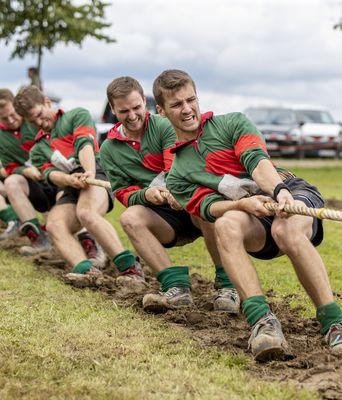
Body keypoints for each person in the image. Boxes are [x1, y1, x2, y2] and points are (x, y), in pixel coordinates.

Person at [152, 69, 342, 361]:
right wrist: (242, 205)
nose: (187, 109)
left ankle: (335, 324)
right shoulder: (177, 174)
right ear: (161, 111)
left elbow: (257, 162)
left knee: (285, 231)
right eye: (176, 104)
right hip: (251, 212)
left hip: (288, 190)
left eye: (191, 100)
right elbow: (208, 208)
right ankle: (263, 322)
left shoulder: (232, 123)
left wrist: (279, 191)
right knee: (224, 225)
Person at [99, 76, 240, 313]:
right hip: (164, 217)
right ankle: (176, 287)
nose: (132, 115)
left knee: (203, 201)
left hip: (192, 203)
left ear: (145, 102)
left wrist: (175, 192)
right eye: (124, 111)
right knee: (130, 218)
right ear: (113, 110)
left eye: (136, 107)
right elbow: (122, 192)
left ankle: (228, 285)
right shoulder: (108, 149)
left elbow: (174, 167)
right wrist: (146, 195)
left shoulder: (164, 126)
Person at [13, 85, 139, 280]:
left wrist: (88, 171)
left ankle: (131, 269)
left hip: (95, 170)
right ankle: (87, 272)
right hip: (70, 183)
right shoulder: (38, 149)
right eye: (32, 120)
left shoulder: (76, 116)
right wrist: (67, 179)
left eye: (39, 114)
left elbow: (84, 144)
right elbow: (50, 174)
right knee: (54, 224)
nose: (38, 122)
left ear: (47, 102)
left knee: (86, 212)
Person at [0, 88, 56, 254]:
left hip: (57, 179)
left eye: (13, 114)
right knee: (11, 182)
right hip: (33, 184)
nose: (11, 120)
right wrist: (26, 171)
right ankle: (38, 238)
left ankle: (87, 240)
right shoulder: (1, 136)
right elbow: (9, 167)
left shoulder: (36, 122)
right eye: (4, 118)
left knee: (58, 227)